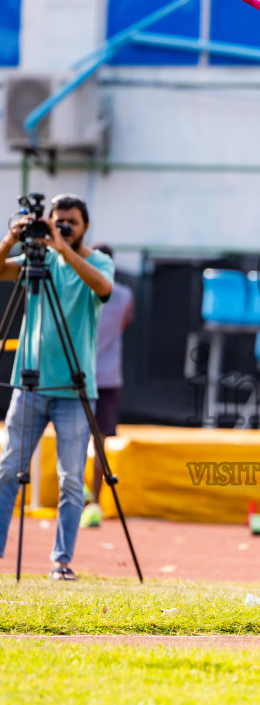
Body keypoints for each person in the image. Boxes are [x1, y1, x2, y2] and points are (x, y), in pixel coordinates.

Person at [0, 194, 113, 579]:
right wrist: (9, 242)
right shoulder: (37, 259)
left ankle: (61, 562)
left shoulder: (97, 260)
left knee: (70, 480)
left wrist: (63, 249)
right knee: (7, 470)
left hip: (73, 389)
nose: (63, 227)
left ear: (84, 227)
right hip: (28, 384)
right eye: (57, 221)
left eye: (71, 223)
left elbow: (102, 288)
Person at [80, 244, 134, 528]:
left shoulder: (79, 291)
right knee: (98, 445)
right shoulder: (124, 295)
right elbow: (124, 322)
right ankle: (93, 504)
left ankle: (83, 498)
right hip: (107, 377)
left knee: (76, 440)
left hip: (80, 377)